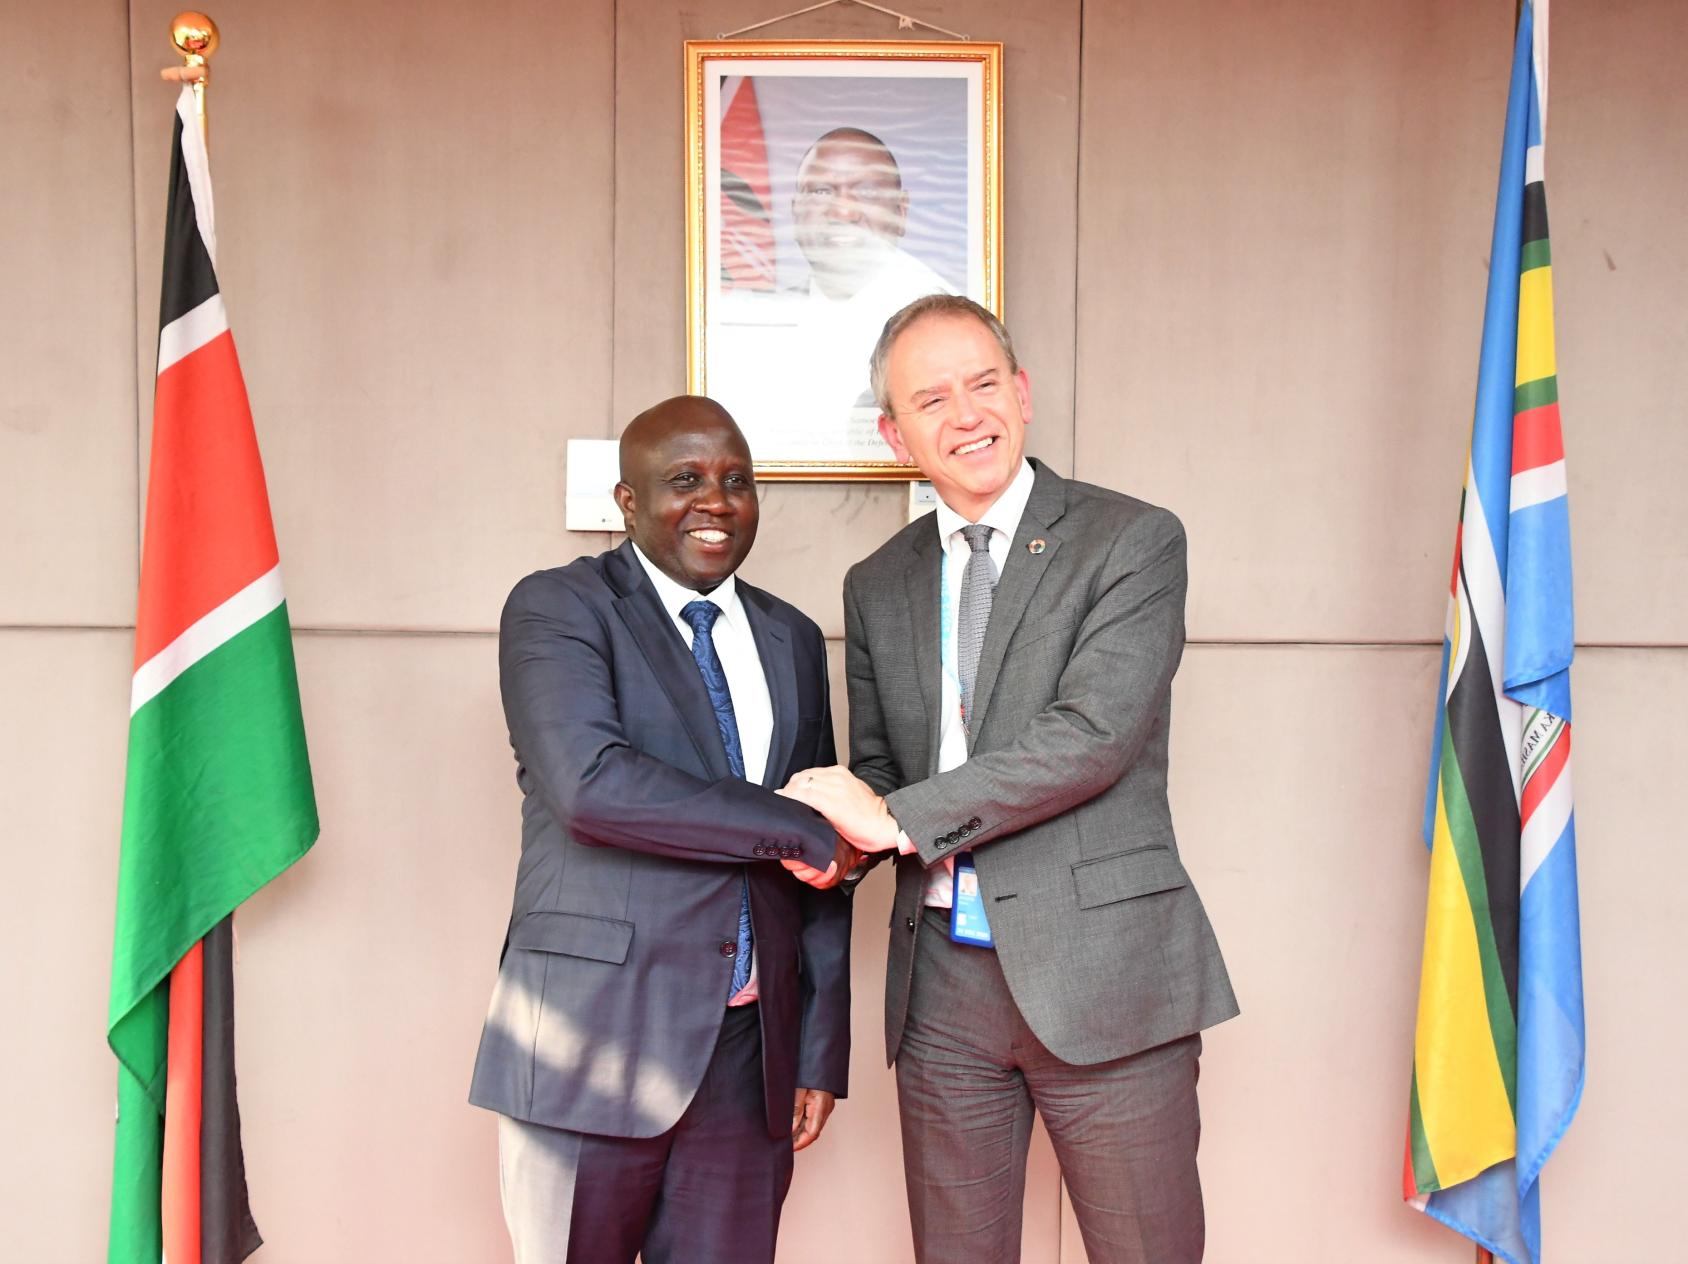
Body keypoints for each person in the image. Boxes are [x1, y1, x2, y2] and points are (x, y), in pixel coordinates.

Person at [781, 296, 1239, 1263]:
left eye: (984, 384)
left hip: (1106, 975)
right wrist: (835, 848)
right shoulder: (878, 582)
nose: (967, 415)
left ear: (1022, 394)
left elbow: (1093, 737)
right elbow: (880, 773)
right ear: (895, 433)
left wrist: (891, 819)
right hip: (943, 988)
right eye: (932, 399)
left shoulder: (1133, 540)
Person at [469, 396, 857, 1264]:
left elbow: (821, 851)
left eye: (736, 482)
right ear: (628, 502)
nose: (715, 502)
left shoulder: (792, 637)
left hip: (750, 1056)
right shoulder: (559, 608)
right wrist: (795, 828)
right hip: (590, 1040)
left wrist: (817, 1050)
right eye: (684, 481)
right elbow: (592, 788)